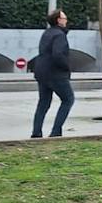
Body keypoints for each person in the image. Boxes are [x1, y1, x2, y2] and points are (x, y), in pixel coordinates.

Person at [32, 9, 74, 139]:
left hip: (41, 72)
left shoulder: (47, 33)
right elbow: (58, 54)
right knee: (68, 99)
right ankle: (56, 131)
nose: (66, 21)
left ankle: (36, 132)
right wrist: (66, 67)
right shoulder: (59, 35)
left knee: (43, 102)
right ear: (58, 20)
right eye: (64, 18)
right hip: (56, 73)